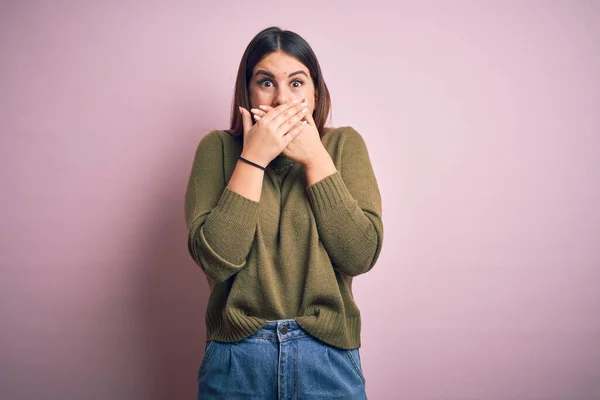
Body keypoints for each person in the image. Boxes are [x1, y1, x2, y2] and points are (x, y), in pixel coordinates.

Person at [184, 26, 383, 399]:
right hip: (237, 359)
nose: (281, 100)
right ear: (247, 91)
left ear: (315, 93)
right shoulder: (218, 149)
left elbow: (359, 255)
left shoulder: (343, 145)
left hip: (326, 356)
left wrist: (314, 158)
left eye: (296, 83)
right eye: (266, 82)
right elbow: (216, 261)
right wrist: (253, 158)